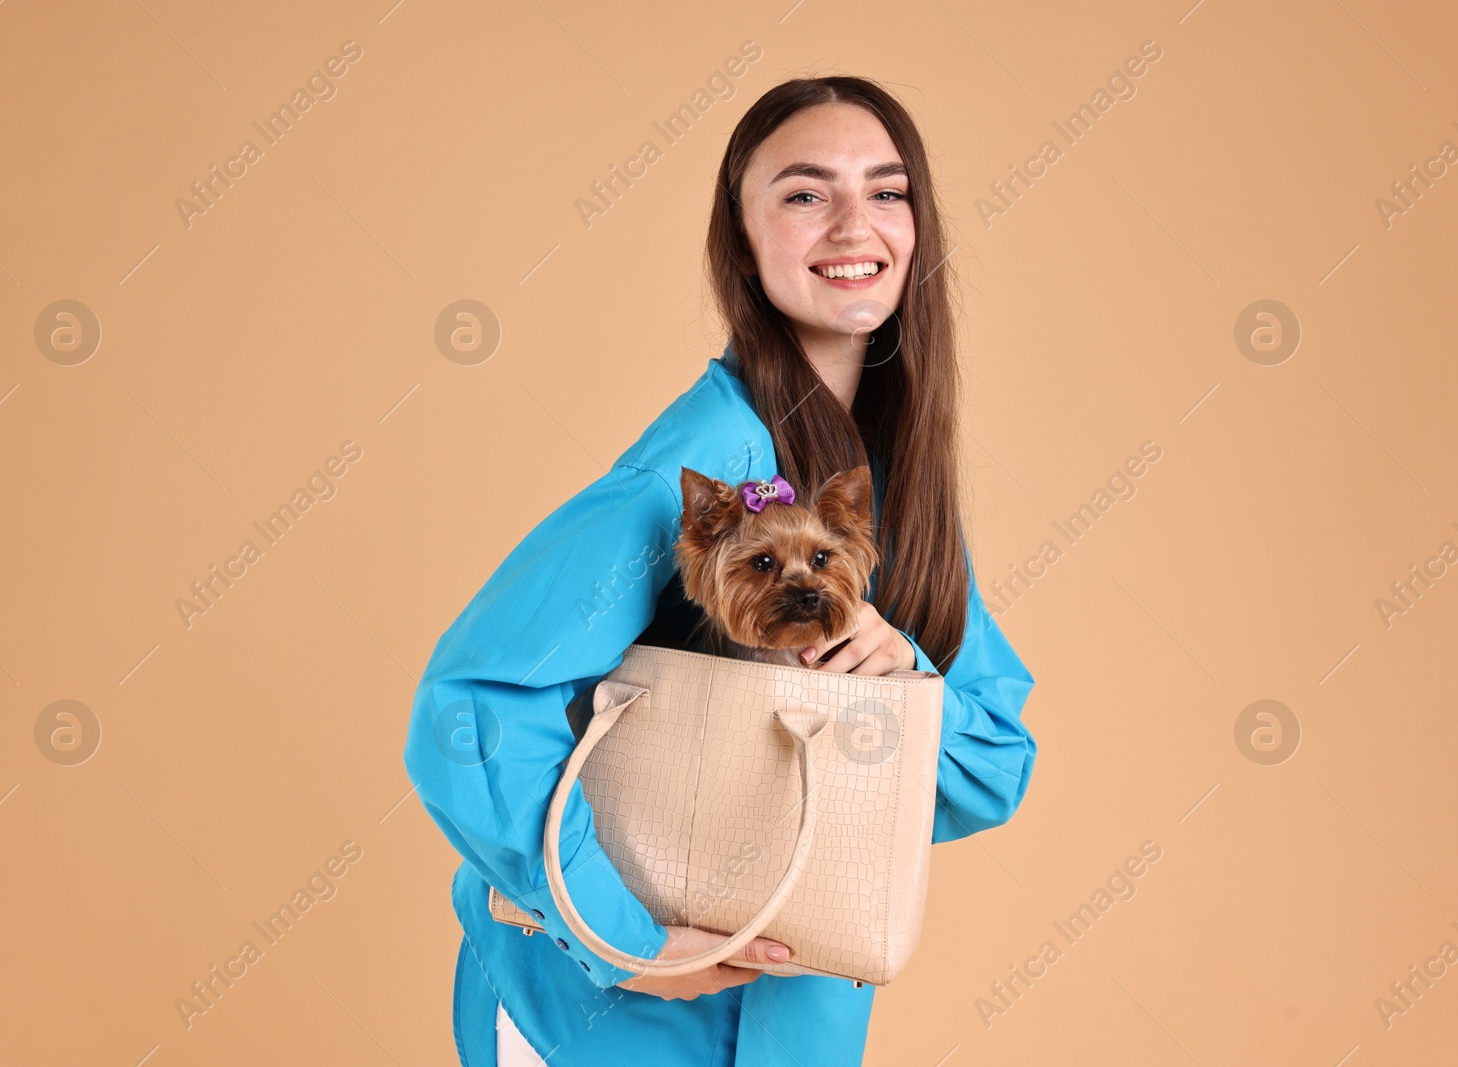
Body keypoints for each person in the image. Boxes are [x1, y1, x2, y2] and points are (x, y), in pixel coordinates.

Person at [403, 75, 1037, 1067]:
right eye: (803, 192)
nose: (851, 222)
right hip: (601, 1024)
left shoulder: (888, 481)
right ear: (738, 239)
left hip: (794, 1023)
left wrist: (898, 671)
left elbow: (990, 764)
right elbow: (467, 706)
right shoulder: (697, 465)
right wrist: (617, 934)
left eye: (887, 190)